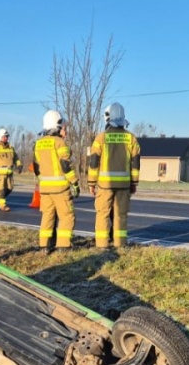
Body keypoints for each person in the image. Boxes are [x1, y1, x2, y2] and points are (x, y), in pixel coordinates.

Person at [87, 102, 141, 248]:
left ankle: (102, 245)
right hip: (124, 185)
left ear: (107, 118)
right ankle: (120, 244)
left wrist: (91, 183)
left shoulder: (101, 138)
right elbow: (135, 164)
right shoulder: (131, 139)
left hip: (105, 185)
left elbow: (93, 163)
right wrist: (134, 183)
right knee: (120, 216)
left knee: (102, 214)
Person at [32, 109, 78, 254]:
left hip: (44, 189)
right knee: (66, 216)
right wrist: (74, 182)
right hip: (60, 189)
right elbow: (65, 165)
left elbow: (36, 167)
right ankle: (63, 246)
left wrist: (42, 182)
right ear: (57, 126)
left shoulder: (38, 144)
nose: (65, 129)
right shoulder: (60, 143)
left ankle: (44, 246)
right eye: (63, 126)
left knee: (47, 216)